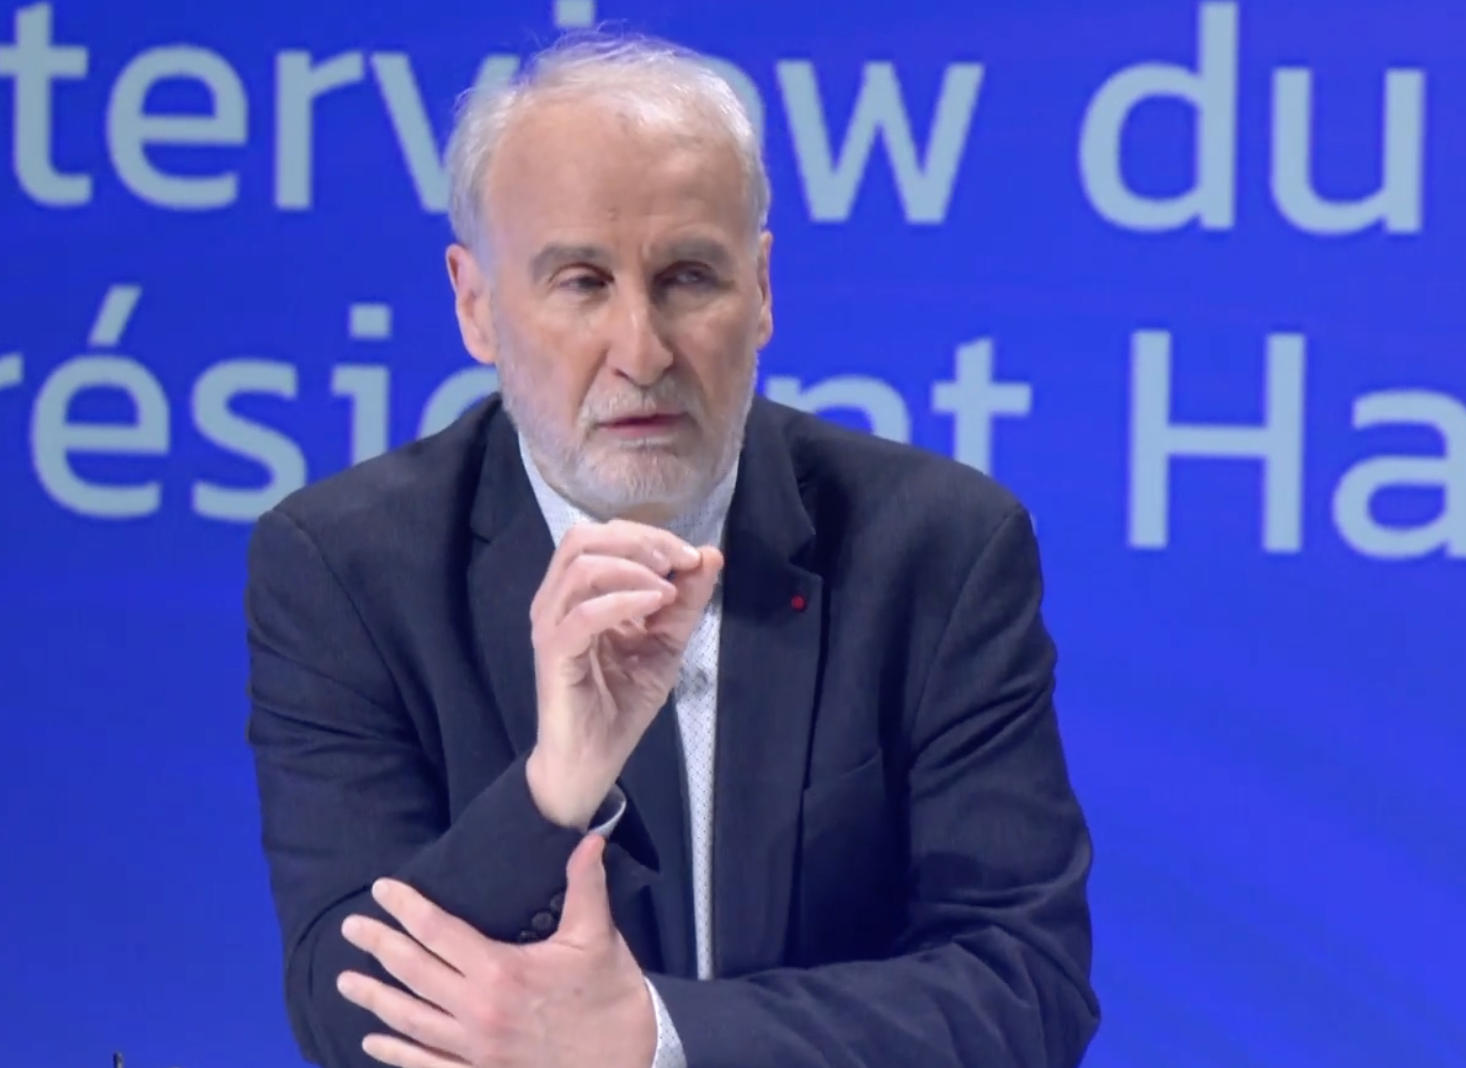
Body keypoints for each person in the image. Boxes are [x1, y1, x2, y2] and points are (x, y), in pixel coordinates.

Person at [244, 30, 1099, 1068]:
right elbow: (350, 1014)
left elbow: (1024, 987)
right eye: (581, 283)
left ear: (762, 289)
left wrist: (656, 1041)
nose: (641, 352)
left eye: (688, 277)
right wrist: (553, 789)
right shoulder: (346, 569)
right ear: (476, 307)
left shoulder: (939, 549)